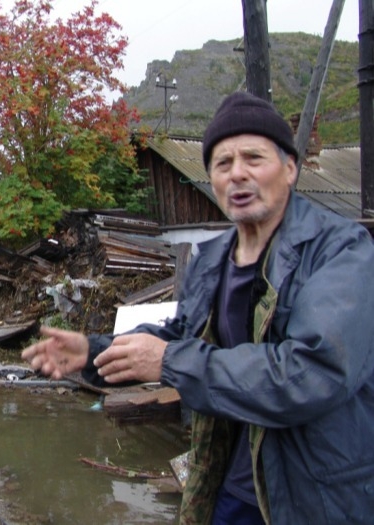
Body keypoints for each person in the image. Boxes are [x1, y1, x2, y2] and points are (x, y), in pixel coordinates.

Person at [21, 91, 374, 525]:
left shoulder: (340, 249)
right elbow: (184, 337)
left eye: (253, 158)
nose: (237, 174)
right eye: (222, 164)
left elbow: (312, 374)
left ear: (290, 168)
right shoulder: (214, 258)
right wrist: (93, 351)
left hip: (313, 497)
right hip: (229, 486)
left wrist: (171, 361)